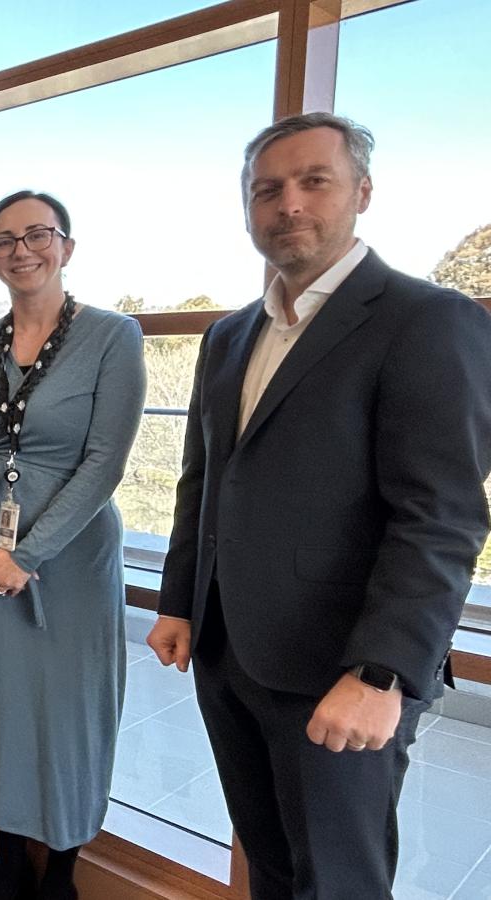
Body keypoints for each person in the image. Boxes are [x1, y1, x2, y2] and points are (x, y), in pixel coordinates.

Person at [147, 113, 491, 899]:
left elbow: (441, 516)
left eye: (314, 182)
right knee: (269, 864)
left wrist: (382, 671)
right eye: (267, 190)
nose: (288, 204)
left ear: (361, 192)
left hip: (341, 669)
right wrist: (178, 604)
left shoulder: (427, 321)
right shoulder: (230, 336)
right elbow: (203, 482)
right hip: (230, 655)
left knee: (337, 882)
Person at [0, 192, 144, 900]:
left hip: (72, 561)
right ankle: (6, 862)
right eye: (3, 240)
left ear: (67, 247)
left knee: (68, 717)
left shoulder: (114, 337)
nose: (22, 250)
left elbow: (106, 461)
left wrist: (27, 555)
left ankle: (60, 871)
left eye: (37, 235)